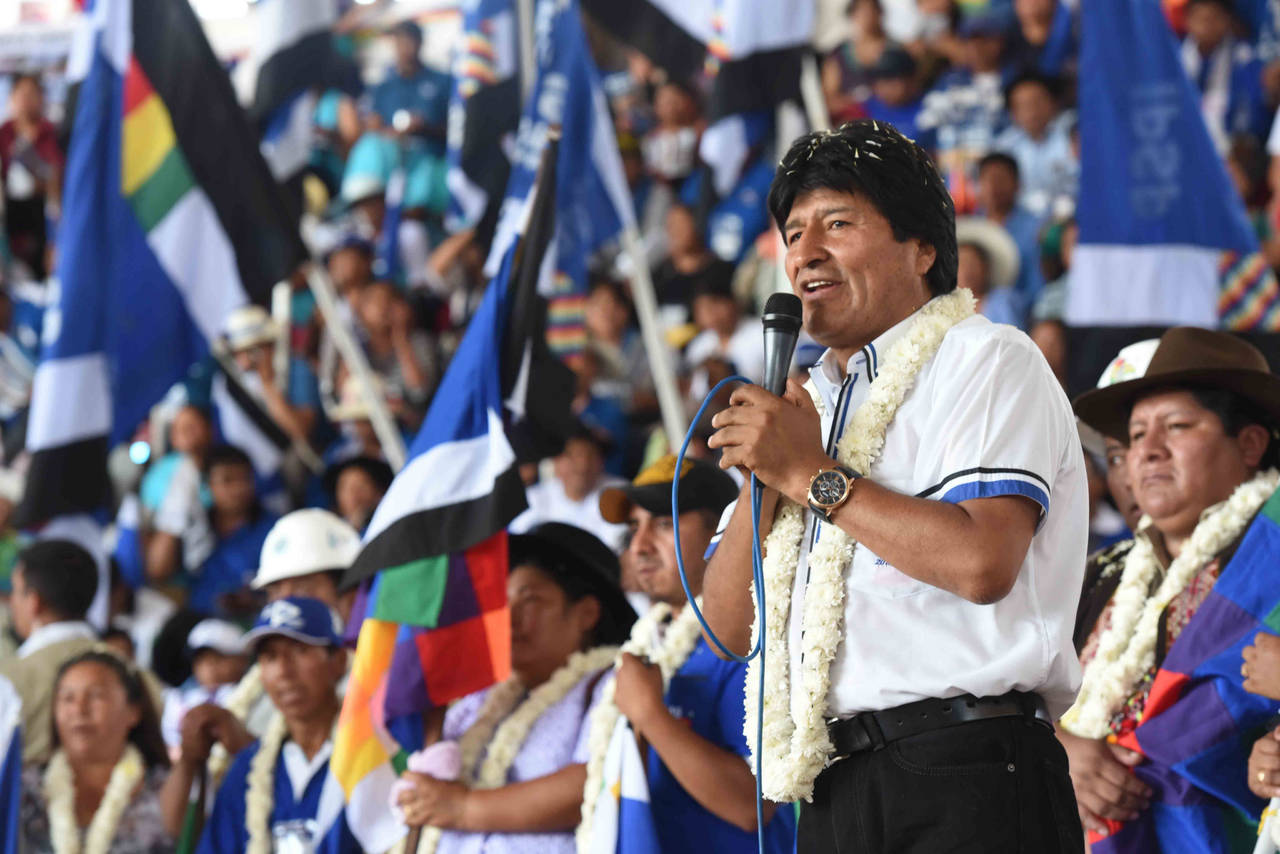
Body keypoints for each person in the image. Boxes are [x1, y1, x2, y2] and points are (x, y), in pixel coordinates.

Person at [700, 119, 1087, 851]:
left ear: (922, 249)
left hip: (968, 768)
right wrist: (767, 480)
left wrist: (809, 474)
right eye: (793, 234)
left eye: (837, 223)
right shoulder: (800, 410)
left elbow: (982, 563)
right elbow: (725, 630)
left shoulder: (985, 359)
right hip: (832, 786)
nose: (804, 252)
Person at [1062, 327, 1280, 851]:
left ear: (1250, 444)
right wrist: (1061, 746)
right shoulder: (1100, 572)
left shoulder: (1270, 555)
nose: (1149, 452)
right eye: (1136, 437)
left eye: (1177, 426)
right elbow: (1019, 686)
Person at [581, 455, 795, 852]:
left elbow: (755, 805)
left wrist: (650, 714)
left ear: (723, 530)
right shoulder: (647, 641)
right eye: (634, 527)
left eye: (664, 523)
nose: (639, 546)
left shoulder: (745, 640)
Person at [394, 523, 636, 852]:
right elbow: (432, 776)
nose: (509, 618)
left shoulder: (612, 684)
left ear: (586, 614)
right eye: (504, 602)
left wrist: (464, 809)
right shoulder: (482, 697)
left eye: (530, 600)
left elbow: (596, 779)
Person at [158, 510, 360, 835]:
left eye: (303, 587)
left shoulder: (379, 679)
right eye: (275, 591)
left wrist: (246, 748)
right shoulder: (260, 686)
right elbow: (184, 829)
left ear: (351, 594)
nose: (287, 604)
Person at [197, 598, 360, 853]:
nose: (283, 671)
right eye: (270, 657)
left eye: (299, 651)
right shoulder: (248, 769)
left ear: (338, 662)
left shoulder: (369, 755)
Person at [19, 649, 172, 853]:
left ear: (133, 711)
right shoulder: (23, 789)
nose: (79, 710)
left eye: (96, 696)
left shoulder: (166, 788)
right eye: (68, 698)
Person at [1, 540, 102, 763]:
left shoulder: (8, 680)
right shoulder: (132, 670)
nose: (11, 602)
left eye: (15, 592)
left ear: (34, 602)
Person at [184, 445, 279, 619]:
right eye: (227, 480)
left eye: (245, 479)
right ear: (208, 485)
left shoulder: (275, 531)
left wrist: (253, 602)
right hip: (197, 622)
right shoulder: (193, 527)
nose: (238, 488)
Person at [510, 425, 628, 551]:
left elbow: (616, 547)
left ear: (601, 461)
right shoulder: (533, 498)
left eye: (590, 455)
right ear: (556, 461)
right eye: (572, 456)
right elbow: (519, 544)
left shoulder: (619, 493)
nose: (582, 465)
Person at [0, 73, 62, 279]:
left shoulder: (52, 134)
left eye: (32, 94)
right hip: (11, 217)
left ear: (42, 98)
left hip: (43, 216)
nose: (26, 100)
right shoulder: (4, 133)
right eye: (21, 94)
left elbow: (58, 177)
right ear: (12, 98)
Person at [994, 71, 1077, 220]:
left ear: (1054, 102)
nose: (1031, 111)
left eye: (1037, 102)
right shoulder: (1004, 146)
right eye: (1022, 106)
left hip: (1069, 217)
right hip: (1021, 220)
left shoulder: (1071, 132)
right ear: (1013, 113)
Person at [160, 620, 248, 757]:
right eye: (201, 660)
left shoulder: (250, 692)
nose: (209, 666)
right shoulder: (179, 698)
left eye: (218, 658)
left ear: (241, 660)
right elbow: (172, 743)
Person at [975, 151, 1047, 303]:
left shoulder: (1035, 229)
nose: (993, 187)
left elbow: (1036, 286)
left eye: (1000, 179)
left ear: (1017, 184)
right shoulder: (970, 228)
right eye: (987, 179)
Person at [955, 216, 1030, 328]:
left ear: (986, 269)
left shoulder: (1002, 301)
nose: (967, 270)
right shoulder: (943, 305)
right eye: (961, 264)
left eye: (973, 264)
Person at [324, 455, 394, 533]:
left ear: (377, 490)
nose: (355, 495)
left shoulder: (391, 512)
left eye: (360, 486)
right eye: (346, 488)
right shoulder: (334, 531)